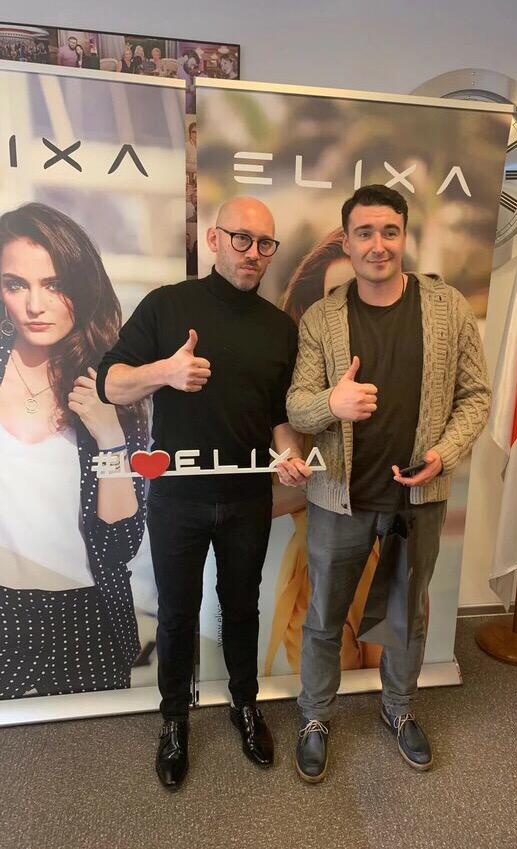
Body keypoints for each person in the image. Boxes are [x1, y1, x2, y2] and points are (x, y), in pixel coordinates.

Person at [96, 196, 312, 790]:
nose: (253, 253)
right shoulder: (168, 305)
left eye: (264, 243)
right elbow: (110, 382)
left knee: (242, 606)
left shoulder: (278, 328)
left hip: (247, 498)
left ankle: (245, 705)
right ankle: (174, 720)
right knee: (176, 612)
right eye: (241, 239)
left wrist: (288, 453)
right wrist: (164, 373)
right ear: (214, 239)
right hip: (178, 499)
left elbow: (278, 415)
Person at [287, 184, 491, 782]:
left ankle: (399, 708)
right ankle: (315, 718)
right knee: (324, 616)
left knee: (407, 617)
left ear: (404, 236)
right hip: (339, 499)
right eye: (365, 233)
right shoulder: (323, 319)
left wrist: (445, 453)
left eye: (389, 231)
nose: (378, 245)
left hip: (417, 499)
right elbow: (297, 405)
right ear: (347, 243)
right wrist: (332, 402)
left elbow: (476, 395)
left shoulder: (448, 307)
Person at [0, 203, 147, 700]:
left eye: (53, 284)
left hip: (88, 614)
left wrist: (109, 436)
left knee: (94, 747)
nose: (34, 305)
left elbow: (121, 541)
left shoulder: (110, 383)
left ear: (81, 288)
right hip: (4, 612)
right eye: (16, 284)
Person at [265, 228, 382, 676]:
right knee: (327, 681)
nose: (345, 308)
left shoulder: (394, 371)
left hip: (386, 558)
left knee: (384, 678)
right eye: (333, 295)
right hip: (316, 566)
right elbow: (263, 497)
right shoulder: (289, 387)